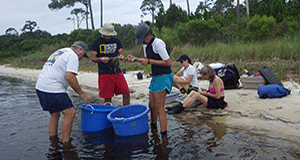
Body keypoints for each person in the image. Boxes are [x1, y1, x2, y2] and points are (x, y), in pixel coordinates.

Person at [35, 41, 92, 145]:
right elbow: (70, 77)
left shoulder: (61, 51)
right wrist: (81, 93)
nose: (82, 58)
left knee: (55, 114)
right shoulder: (73, 55)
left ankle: (53, 142)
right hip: (52, 88)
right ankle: (66, 144)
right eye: (83, 55)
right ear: (79, 50)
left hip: (40, 87)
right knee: (70, 113)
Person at [127, 22, 174, 135]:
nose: (142, 42)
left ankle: (164, 135)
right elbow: (146, 59)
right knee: (151, 105)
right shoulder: (145, 45)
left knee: (159, 107)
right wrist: (136, 59)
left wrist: (149, 61)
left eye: (143, 39)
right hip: (155, 77)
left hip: (164, 76)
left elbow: (168, 62)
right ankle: (153, 129)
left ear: (148, 35)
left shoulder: (158, 44)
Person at [90, 23, 130, 106]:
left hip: (116, 71)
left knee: (126, 92)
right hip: (104, 72)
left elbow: (121, 53)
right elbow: (93, 58)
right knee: (107, 96)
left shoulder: (117, 41)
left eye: (110, 35)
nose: (109, 37)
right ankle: (108, 112)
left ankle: (126, 110)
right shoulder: (96, 42)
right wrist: (101, 59)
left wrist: (121, 56)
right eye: (107, 35)